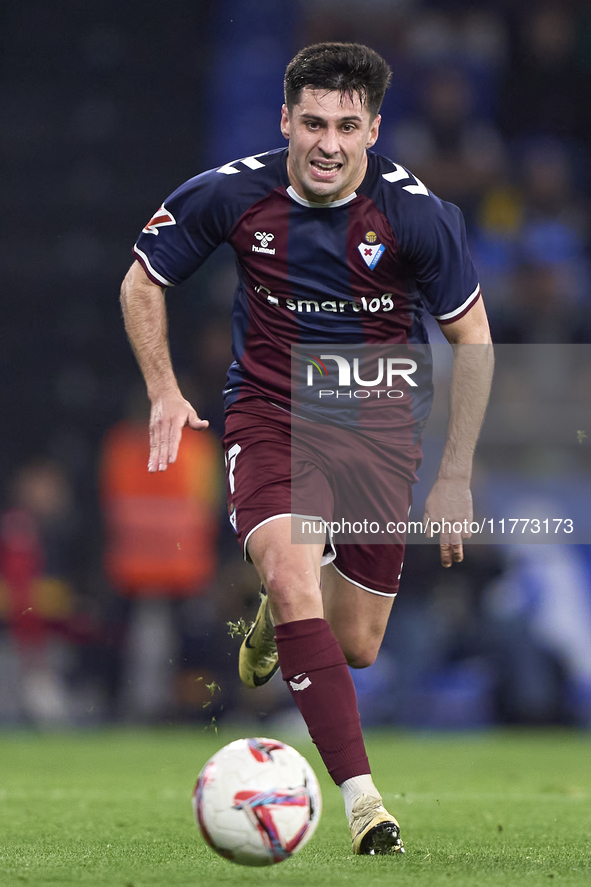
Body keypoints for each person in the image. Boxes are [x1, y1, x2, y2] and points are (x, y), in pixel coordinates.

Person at [120, 42, 493, 855]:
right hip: (270, 410)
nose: (328, 142)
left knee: (354, 642)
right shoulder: (230, 192)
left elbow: (473, 340)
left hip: (378, 426)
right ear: (284, 119)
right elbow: (143, 278)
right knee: (295, 574)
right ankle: (365, 806)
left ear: (373, 130)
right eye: (313, 122)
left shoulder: (416, 216)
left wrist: (454, 475)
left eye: (346, 126)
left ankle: (276, 615)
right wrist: (162, 387)